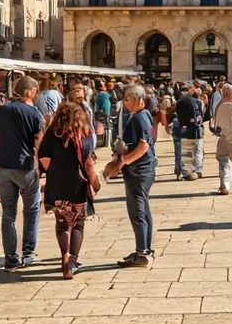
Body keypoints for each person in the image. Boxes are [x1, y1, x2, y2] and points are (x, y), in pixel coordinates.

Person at [0, 75, 45, 271]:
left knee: (8, 212)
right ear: (31, 92)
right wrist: (43, 166)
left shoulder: (0, 111)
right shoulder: (34, 114)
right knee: (32, 209)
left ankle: (10, 258)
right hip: (25, 166)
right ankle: (28, 253)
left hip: (3, 167)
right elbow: (39, 142)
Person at [38, 101, 99, 279]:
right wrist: (94, 182)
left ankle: (64, 256)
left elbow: (43, 157)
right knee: (78, 223)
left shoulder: (52, 132)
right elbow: (88, 162)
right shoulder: (85, 133)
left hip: (57, 184)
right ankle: (72, 261)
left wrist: (56, 170)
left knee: (63, 223)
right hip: (78, 185)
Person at [103, 84, 157, 267]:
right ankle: (144, 248)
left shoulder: (139, 118)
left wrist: (124, 161)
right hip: (142, 170)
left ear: (138, 100)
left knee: (138, 211)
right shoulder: (141, 116)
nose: (124, 102)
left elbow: (143, 146)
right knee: (143, 210)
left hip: (138, 170)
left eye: (127, 99)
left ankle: (142, 252)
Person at [175, 87, 206, 180]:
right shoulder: (198, 102)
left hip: (183, 129)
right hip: (196, 130)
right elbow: (202, 115)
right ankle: (198, 170)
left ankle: (187, 172)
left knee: (187, 152)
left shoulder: (179, 102)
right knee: (198, 151)